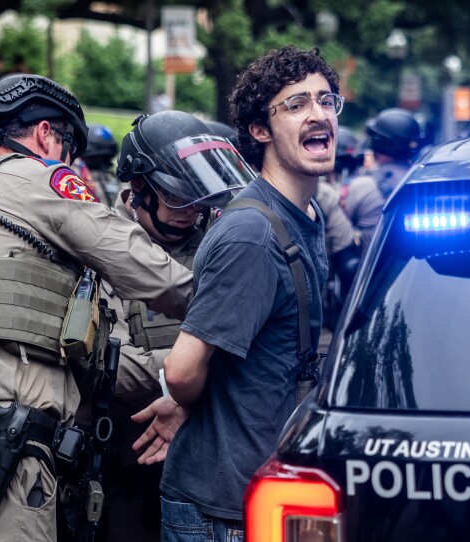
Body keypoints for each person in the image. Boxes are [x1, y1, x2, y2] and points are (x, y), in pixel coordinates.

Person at [0, 73, 193, 542]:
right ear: (46, 134)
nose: (70, 166)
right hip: (0, 452)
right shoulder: (40, 179)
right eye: (69, 152)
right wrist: (231, 306)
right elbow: (146, 268)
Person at [133, 45, 337, 540]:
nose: (319, 114)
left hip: (265, 493)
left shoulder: (308, 217)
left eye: (327, 100)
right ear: (260, 131)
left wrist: (195, 403)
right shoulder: (252, 232)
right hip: (221, 513)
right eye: (296, 104)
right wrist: (186, 398)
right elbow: (182, 371)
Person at [82, 110, 252, 542]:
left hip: (213, 471)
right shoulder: (97, 246)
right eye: (178, 198)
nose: (189, 211)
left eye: (198, 198)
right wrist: (203, 364)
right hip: (127, 469)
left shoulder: (218, 244)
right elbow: (108, 365)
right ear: (137, 187)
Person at [341, 107, 424, 252]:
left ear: (379, 143)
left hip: (375, 272)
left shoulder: (363, 185)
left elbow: (337, 227)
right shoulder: (424, 180)